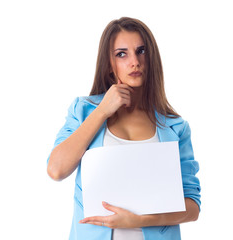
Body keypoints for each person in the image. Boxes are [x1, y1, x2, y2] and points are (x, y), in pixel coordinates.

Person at [47, 17, 201, 240]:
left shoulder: (175, 127)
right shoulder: (84, 110)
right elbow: (56, 170)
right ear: (109, 64)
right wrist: (102, 111)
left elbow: (192, 207)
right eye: (122, 54)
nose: (134, 62)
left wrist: (140, 221)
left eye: (141, 51)